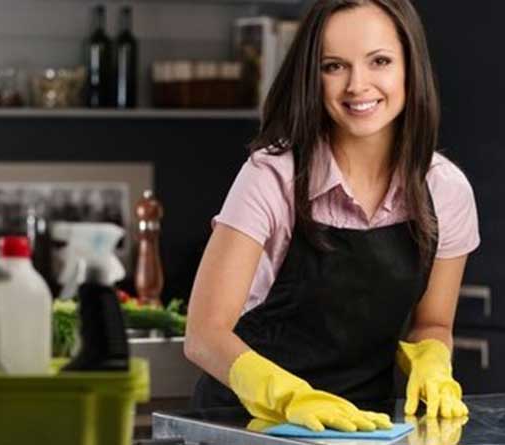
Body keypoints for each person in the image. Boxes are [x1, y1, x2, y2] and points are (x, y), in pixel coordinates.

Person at [184, 0, 478, 433]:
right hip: (247, 427)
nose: (358, 85)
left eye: (379, 61)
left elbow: (432, 323)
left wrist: (433, 360)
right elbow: (204, 335)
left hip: (365, 429)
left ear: (410, 68)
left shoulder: (446, 190)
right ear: (311, 76)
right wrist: (288, 397)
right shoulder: (272, 177)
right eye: (333, 66)